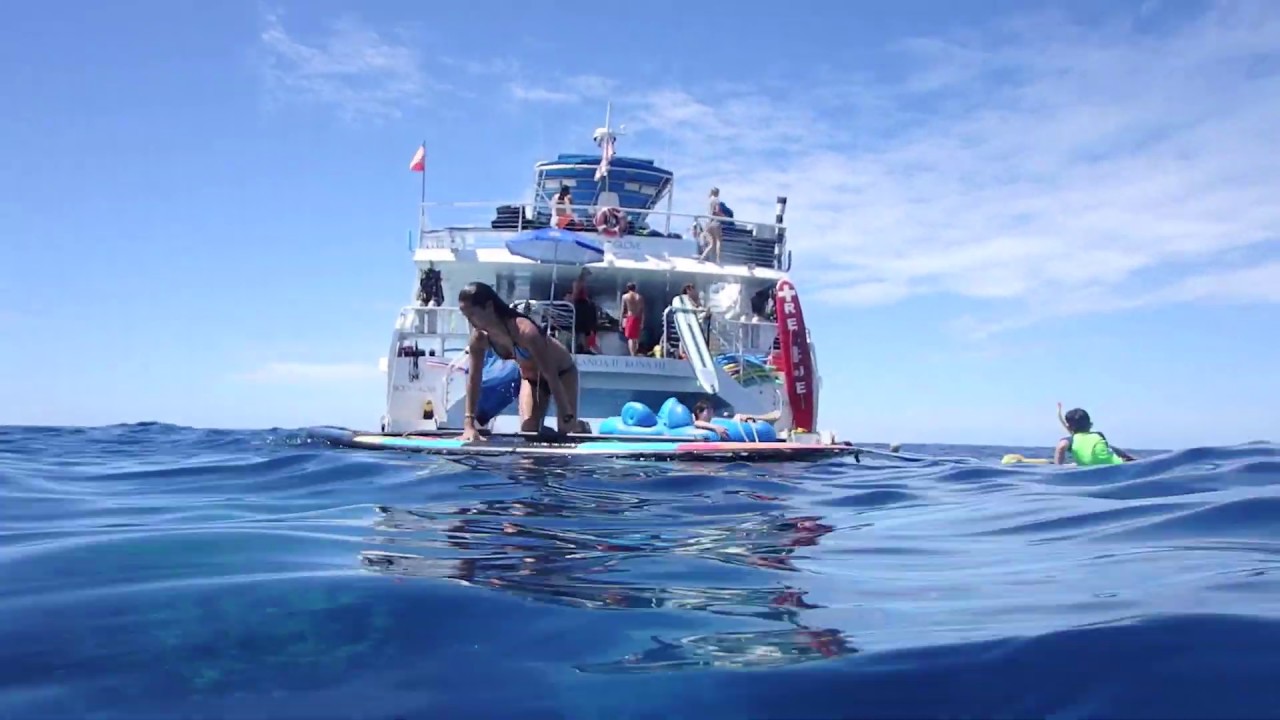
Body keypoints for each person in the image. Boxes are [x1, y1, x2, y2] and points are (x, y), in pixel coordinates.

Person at [457, 281, 580, 441]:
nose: (470, 321)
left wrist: (565, 410)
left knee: (567, 433)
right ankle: (547, 435)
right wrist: (469, 425)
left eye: (472, 314)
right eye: (465, 316)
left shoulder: (525, 331)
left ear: (489, 306)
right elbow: (474, 379)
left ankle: (580, 427)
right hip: (531, 379)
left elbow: (550, 373)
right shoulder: (479, 338)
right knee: (528, 433)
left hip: (561, 374)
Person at [1053, 404, 1136, 465]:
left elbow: (1061, 446)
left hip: (1101, 470)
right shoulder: (1098, 435)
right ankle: (1131, 458)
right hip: (1118, 465)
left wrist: (1058, 468)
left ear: (1070, 427)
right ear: (1090, 424)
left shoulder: (1072, 440)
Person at [699, 187, 725, 263]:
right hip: (715, 222)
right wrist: (723, 216)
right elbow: (716, 211)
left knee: (711, 243)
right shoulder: (716, 200)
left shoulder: (709, 200)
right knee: (718, 241)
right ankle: (717, 259)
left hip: (708, 223)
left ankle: (703, 257)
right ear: (717, 193)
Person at [620, 282, 645, 356]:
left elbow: (622, 309)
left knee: (630, 338)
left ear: (627, 288)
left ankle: (632, 354)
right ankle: (635, 352)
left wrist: (621, 322)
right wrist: (642, 322)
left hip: (630, 318)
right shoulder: (639, 297)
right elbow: (642, 311)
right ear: (635, 288)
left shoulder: (625, 297)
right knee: (636, 337)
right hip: (637, 318)